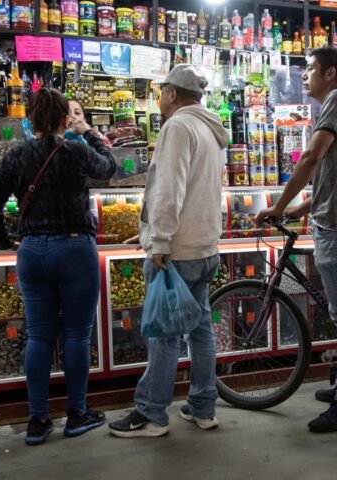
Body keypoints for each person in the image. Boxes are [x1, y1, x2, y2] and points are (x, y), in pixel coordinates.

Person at [0, 88, 116, 445]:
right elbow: (108, 168)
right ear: (63, 118)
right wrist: (88, 132)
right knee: (76, 335)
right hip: (74, 249)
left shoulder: (17, 155)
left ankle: (37, 420)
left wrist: (2, 240)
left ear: (31, 119)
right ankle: (77, 413)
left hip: (32, 252)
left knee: (39, 336)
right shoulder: (74, 149)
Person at [255, 47, 337, 433]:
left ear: (329, 73)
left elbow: (311, 158)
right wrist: (297, 209)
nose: (304, 75)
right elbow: (336, 177)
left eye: (310, 69)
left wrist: (278, 205)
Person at [108, 64, 228, 438]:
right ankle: (203, 408)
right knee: (200, 330)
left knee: (164, 334)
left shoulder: (178, 126)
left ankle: (151, 414)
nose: (160, 98)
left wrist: (159, 240)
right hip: (205, 246)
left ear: (172, 93)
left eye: (161, 91)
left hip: (177, 252)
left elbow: (169, 190)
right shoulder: (211, 128)